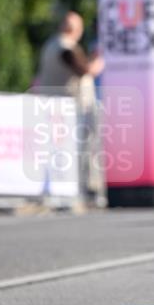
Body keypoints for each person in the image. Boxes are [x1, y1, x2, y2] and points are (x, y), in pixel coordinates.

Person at [34, 11, 105, 202]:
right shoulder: (65, 47)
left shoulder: (49, 45)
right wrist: (99, 61)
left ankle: (64, 190)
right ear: (76, 29)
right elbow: (84, 70)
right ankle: (83, 191)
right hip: (71, 110)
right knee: (79, 151)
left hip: (53, 108)